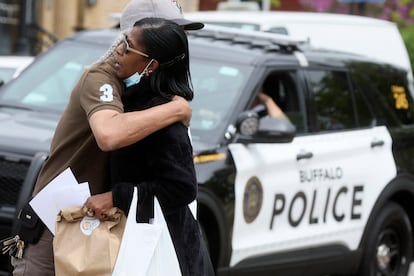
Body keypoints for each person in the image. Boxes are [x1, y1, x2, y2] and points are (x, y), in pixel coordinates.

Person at [11, 1, 204, 275]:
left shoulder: (153, 92)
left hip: (107, 224)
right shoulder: (104, 76)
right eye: (171, 30)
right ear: (136, 32)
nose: (181, 40)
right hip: (59, 218)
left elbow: (177, 183)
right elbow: (109, 134)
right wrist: (176, 109)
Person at [85, 17, 214, 276]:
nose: (118, 50)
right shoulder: (135, 98)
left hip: (162, 248)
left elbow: (182, 187)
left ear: (150, 66)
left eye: (128, 47)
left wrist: (115, 197)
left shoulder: (162, 114)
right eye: (122, 41)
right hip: (138, 240)